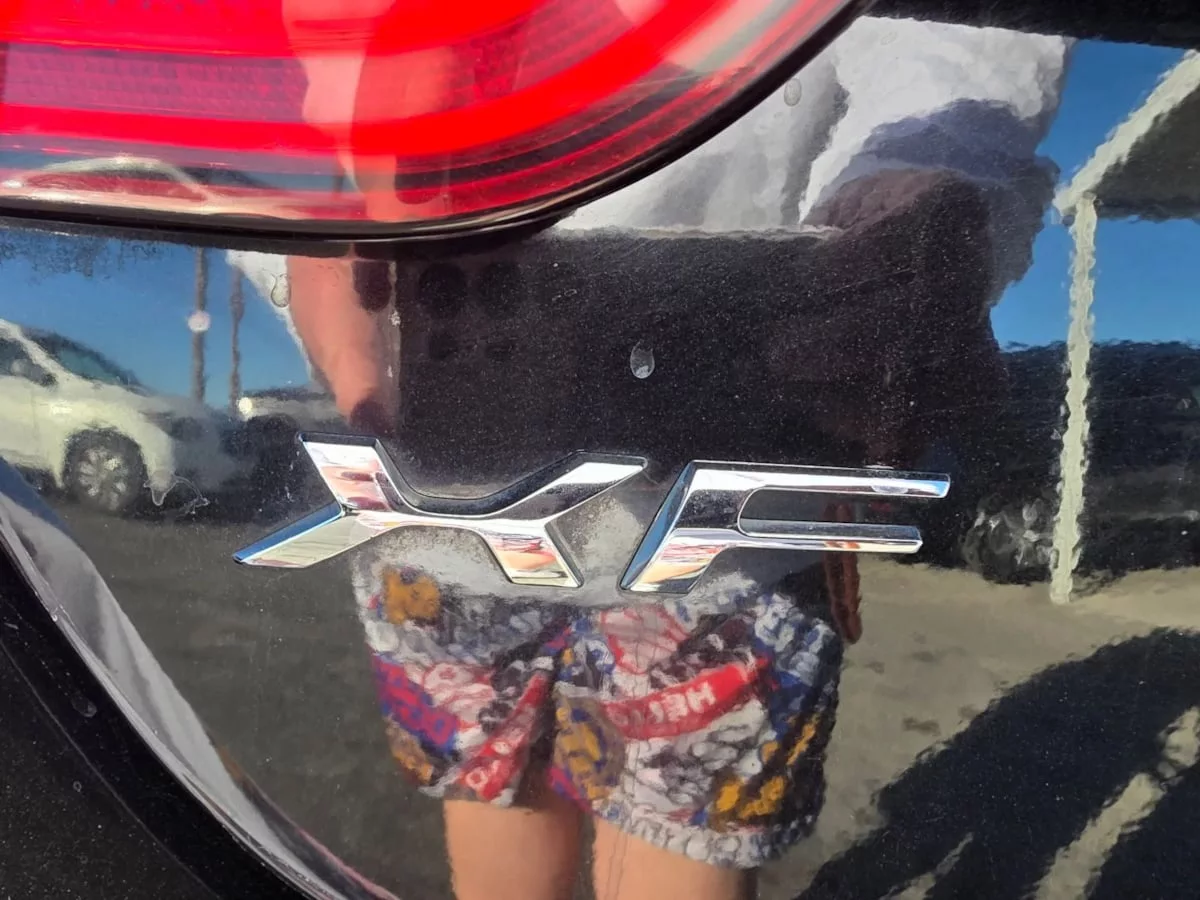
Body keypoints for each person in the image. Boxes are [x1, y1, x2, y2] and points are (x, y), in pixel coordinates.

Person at [231, 9, 1070, 900]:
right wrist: (297, 233)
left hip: (719, 494)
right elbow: (237, 65)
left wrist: (905, 182)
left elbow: (943, 36)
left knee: (588, 844)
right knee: (503, 829)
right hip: (457, 488)